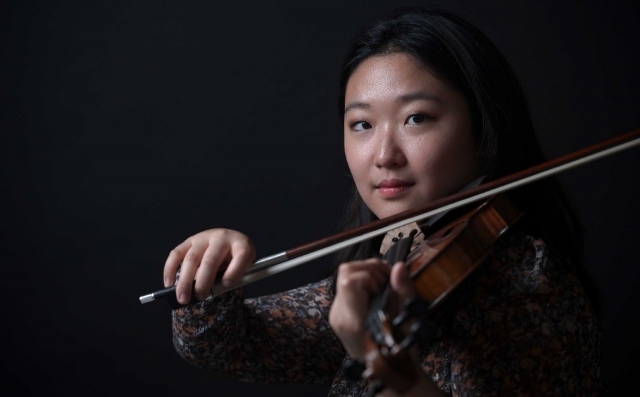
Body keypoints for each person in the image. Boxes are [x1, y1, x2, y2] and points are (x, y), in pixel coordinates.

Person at [163, 7, 605, 396]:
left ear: (484, 131)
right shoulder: (402, 262)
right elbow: (230, 347)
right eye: (361, 124)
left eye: (417, 118)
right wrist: (212, 274)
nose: (383, 155)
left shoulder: (527, 282)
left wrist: (389, 368)